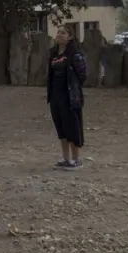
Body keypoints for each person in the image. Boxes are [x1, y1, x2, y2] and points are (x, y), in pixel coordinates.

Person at [47, 24, 87, 169]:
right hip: (55, 96)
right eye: (58, 32)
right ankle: (65, 158)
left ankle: (76, 159)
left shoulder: (75, 54)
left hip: (70, 96)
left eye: (63, 33)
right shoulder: (53, 53)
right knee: (61, 128)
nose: (59, 35)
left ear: (70, 37)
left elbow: (82, 75)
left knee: (72, 127)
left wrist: (74, 87)